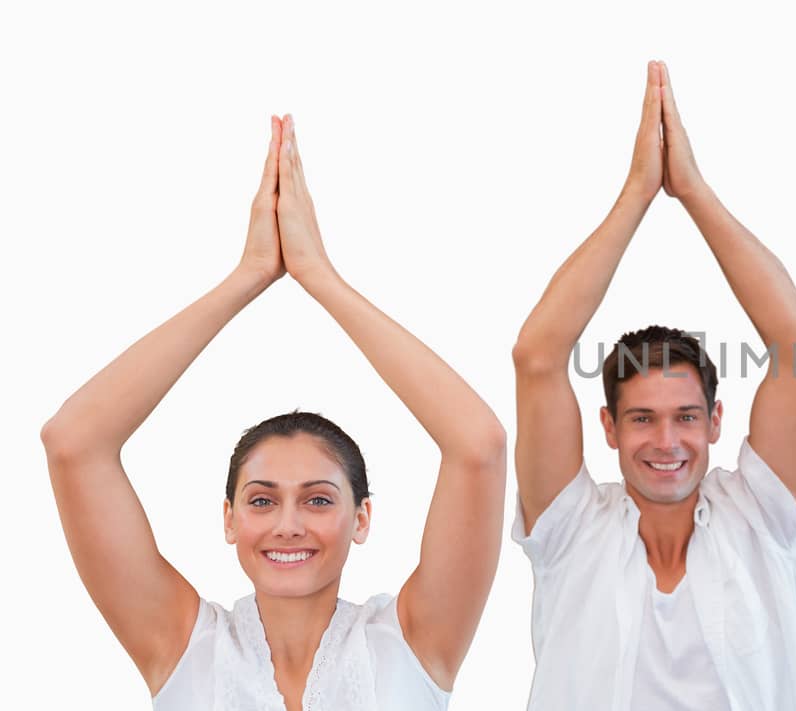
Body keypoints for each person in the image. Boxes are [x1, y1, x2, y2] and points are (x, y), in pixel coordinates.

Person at [40, 114, 507, 710]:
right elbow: (71, 443)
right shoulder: (183, 646)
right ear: (230, 519)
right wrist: (249, 275)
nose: (289, 524)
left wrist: (320, 277)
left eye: (318, 499)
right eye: (262, 499)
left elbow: (480, 443)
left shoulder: (415, 641)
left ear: (362, 518)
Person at [510, 60, 796, 711]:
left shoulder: (760, 516)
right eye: (642, 418)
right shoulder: (570, 528)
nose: (666, 440)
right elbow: (537, 355)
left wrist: (693, 191)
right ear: (609, 427)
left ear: (716, 421)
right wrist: (637, 191)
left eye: (686, 416)